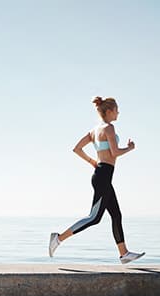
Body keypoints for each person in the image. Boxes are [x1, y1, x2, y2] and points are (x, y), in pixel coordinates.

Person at [49, 96, 145, 264]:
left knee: (116, 214)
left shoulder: (94, 131)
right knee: (94, 217)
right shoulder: (109, 128)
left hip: (102, 175)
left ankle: (124, 254)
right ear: (109, 111)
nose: (118, 113)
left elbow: (77, 149)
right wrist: (129, 148)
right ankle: (58, 238)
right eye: (116, 110)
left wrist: (93, 162)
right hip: (103, 176)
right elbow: (114, 153)